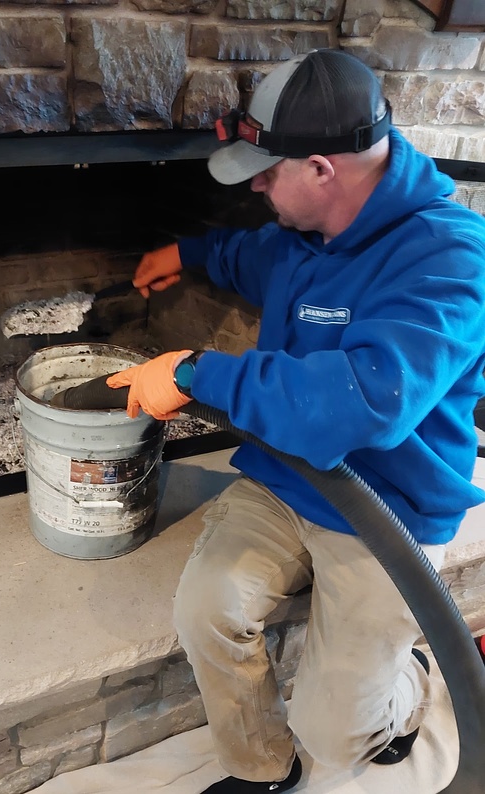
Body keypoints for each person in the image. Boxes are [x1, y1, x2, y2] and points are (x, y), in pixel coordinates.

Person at [106, 49, 485, 793]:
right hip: (287, 477)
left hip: (387, 508)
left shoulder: (450, 260)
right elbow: (253, 256)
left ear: (320, 169)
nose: (253, 184)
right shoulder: (304, 234)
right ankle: (262, 772)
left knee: (335, 734)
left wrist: (191, 373)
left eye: (266, 171)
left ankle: (400, 686)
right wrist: (183, 253)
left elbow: (361, 399)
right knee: (207, 610)